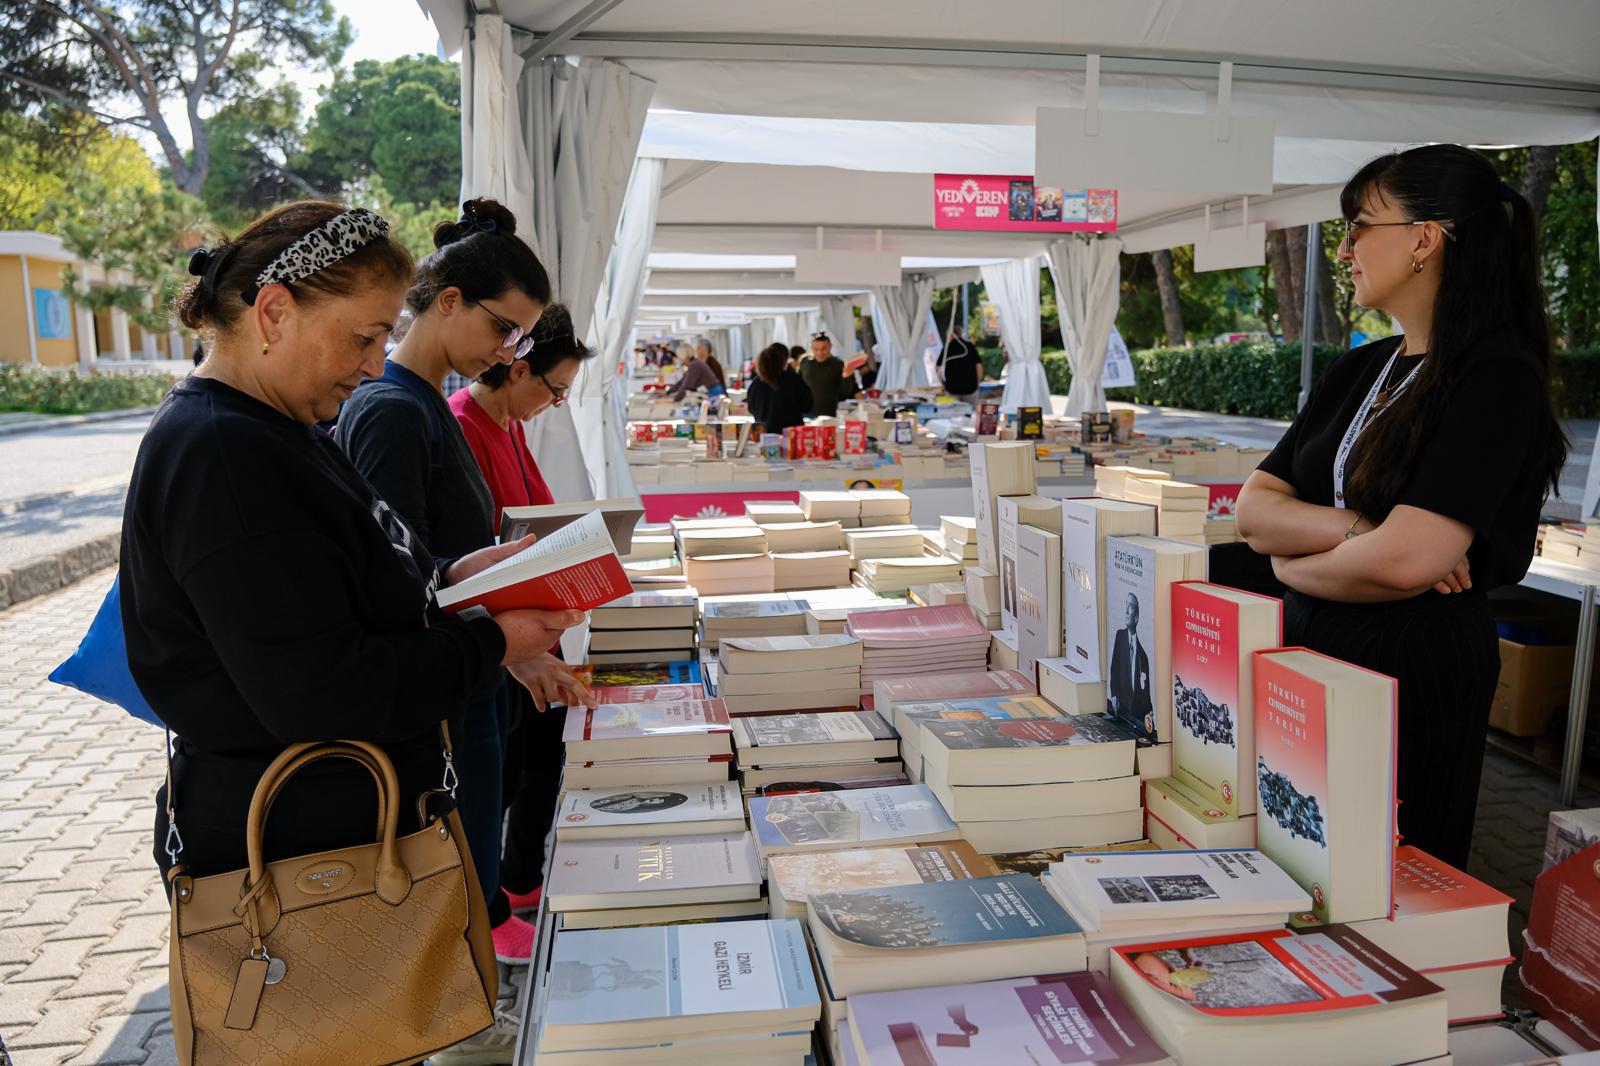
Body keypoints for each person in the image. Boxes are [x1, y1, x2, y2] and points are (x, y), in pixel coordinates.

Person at [122, 201, 578, 912]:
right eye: (364, 338)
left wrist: (454, 576)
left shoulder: (279, 427)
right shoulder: (223, 454)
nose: (373, 364)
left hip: (341, 843)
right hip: (301, 875)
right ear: (274, 313)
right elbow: (325, 691)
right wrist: (493, 640)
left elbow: (361, 577)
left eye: (384, 338)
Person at [1235, 144, 1567, 868]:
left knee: (1385, 876)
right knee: (1300, 861)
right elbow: (1255, 509)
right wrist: (1355, 531)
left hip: (1409, 672)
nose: (1346, 248)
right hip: (1312, 654)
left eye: (1360, 226)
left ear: (1426, 238)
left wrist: (1289, 565)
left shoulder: (1494, 373)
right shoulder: (1361, 366)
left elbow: (1406, 563)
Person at [336, 197, 566, 967]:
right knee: (450, 886)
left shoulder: (425, 406)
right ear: (448, 301)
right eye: (504, 329)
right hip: (437, 701)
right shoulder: (391, 410)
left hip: (469, 682)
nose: (508, 353)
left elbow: (438, 558)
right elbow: (389, 577)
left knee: (468, 874)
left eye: (521, 338)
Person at [449, 302, 596, 917]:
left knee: (541, 762)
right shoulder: (463, 426)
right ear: (518, 369)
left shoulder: (509, 425)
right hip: (498, 642)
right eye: (555, 390)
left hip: (531, 634)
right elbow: (473, 550)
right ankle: (494, 904)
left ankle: (519, 885)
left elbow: (533, 518)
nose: (555, 404)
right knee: (504, 777)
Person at [1107, 592, 1153, 735]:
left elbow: (1146, 694)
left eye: (1131, 606)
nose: (1126, 610)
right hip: (1119, 713)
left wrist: (1150, 714)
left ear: (1137, 617)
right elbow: (1114, 669)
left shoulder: (1143, 657)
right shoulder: (1119, 636)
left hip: (1136, 720)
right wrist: (1113, 695)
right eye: (1125, 604)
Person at [745, 341, 812, 434]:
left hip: (765, 436)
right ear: (782, 361)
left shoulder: (756, 383)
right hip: (791, 435)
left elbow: (751, 409)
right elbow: (807, 405)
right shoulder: (793, 379)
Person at [798, 331, 850, 417]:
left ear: (830, 346)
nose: (820, 353)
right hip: (805, 412)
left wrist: (847, 376)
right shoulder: (804, 361)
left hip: (828, 413)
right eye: (816, 349)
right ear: (811, 347)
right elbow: (798, 385)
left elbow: (845, 391)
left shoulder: (838, 364)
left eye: (824, 348)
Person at [938, 323, 980, 405]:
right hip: (970, 388)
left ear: (951, 334)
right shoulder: (970, 346)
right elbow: (979, 366)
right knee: (971, 413)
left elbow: (938, 367)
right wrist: (977, 381)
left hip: (952, 389)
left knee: (953, 414)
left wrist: (942, 383)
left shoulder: (947, 348)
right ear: (960, 334)